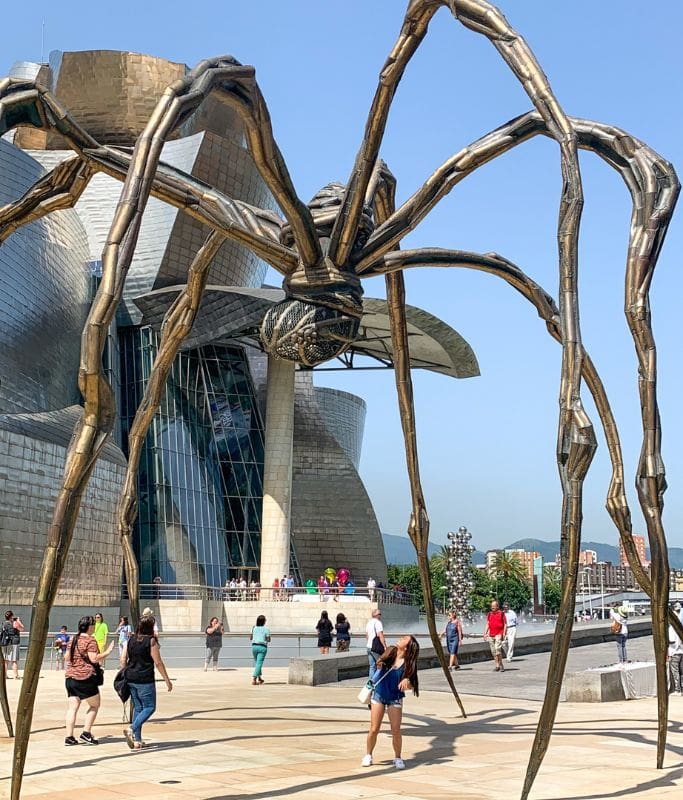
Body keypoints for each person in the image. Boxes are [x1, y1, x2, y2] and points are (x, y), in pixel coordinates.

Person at [361, 635, 420, 769]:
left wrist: (407, 681)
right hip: (379, 694)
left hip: (395, 696)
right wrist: (380, 663)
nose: (400, 638)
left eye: (404, 638)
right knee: (374, 728)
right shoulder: (391, 651)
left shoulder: (409, 663)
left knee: (396, 730)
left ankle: (398, 757)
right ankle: (368, 754)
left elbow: (412, 685)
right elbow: (378, 666)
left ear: (407, 646)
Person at [121, 615, 172, 750]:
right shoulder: (151, 641)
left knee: (138, 708)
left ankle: (137, 741)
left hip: (131, 678)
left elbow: (122, 659)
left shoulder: (130, 639)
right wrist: (167, 680)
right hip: (145, 679)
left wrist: (126, 670)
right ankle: (131, 729)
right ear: (150, 628)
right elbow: (158, 662)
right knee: (150, 707)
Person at [64, 615, 115, 745]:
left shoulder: (73, 639)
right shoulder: (90, 641)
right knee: (94, 705)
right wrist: (108, 652)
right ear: (90, 627)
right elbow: (94, 659)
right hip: (85, 677)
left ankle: (69, 736)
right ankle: (86, 732)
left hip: (70, 677)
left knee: (72, 708)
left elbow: (66, 657)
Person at [484, 600, 507, 672]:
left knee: (497, 650)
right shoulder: (489, 614)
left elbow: (505, 624)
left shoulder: (501, 614)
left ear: (497, 606)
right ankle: (497, 665)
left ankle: (501, 665)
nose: (492, 608)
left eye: (493, 606)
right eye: (491, 606)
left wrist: (504, 633)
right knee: (493, 651)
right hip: (491, 635)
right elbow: (488, 623)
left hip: (499, 634)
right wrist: (485, 633)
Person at [2, 610, 24, 679]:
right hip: (14, 642)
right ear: (11, 616)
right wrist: (18, 621)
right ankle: (16, 675)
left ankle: (4, 675)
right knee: (14, 660)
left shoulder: (4, 624)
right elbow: (22, 628)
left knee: (6, 660)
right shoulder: (14, 623)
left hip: (5, 643)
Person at [250, 614, 270, 685]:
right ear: (263, 621)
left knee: (257, 663)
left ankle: (260, 678)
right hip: (262, 647)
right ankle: (254, 678)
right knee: (259, 663)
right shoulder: (266, 629)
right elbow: (268, 639)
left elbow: (251, 638)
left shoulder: (254, 628)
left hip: (254, 647)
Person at [365, 609, 386, 677]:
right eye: (380, 614)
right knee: (380, 664)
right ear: (377, 615)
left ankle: (371, 684)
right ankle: (378, 682)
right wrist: (385, 646)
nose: (380, 616)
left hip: (369, 647)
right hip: (376, 648)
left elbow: (367, 636)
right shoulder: (378, 623)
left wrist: (370, 643)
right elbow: (380, 635)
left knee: (372, 666)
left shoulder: (369, 623)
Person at [668, 623, 683, 695]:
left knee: (675, 672)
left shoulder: (671, 629)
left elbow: (672, 641)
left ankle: (677, 689)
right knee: (681, 671)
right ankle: (681, 688)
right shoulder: (679, 627)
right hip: (681, 651)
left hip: (675, 652)